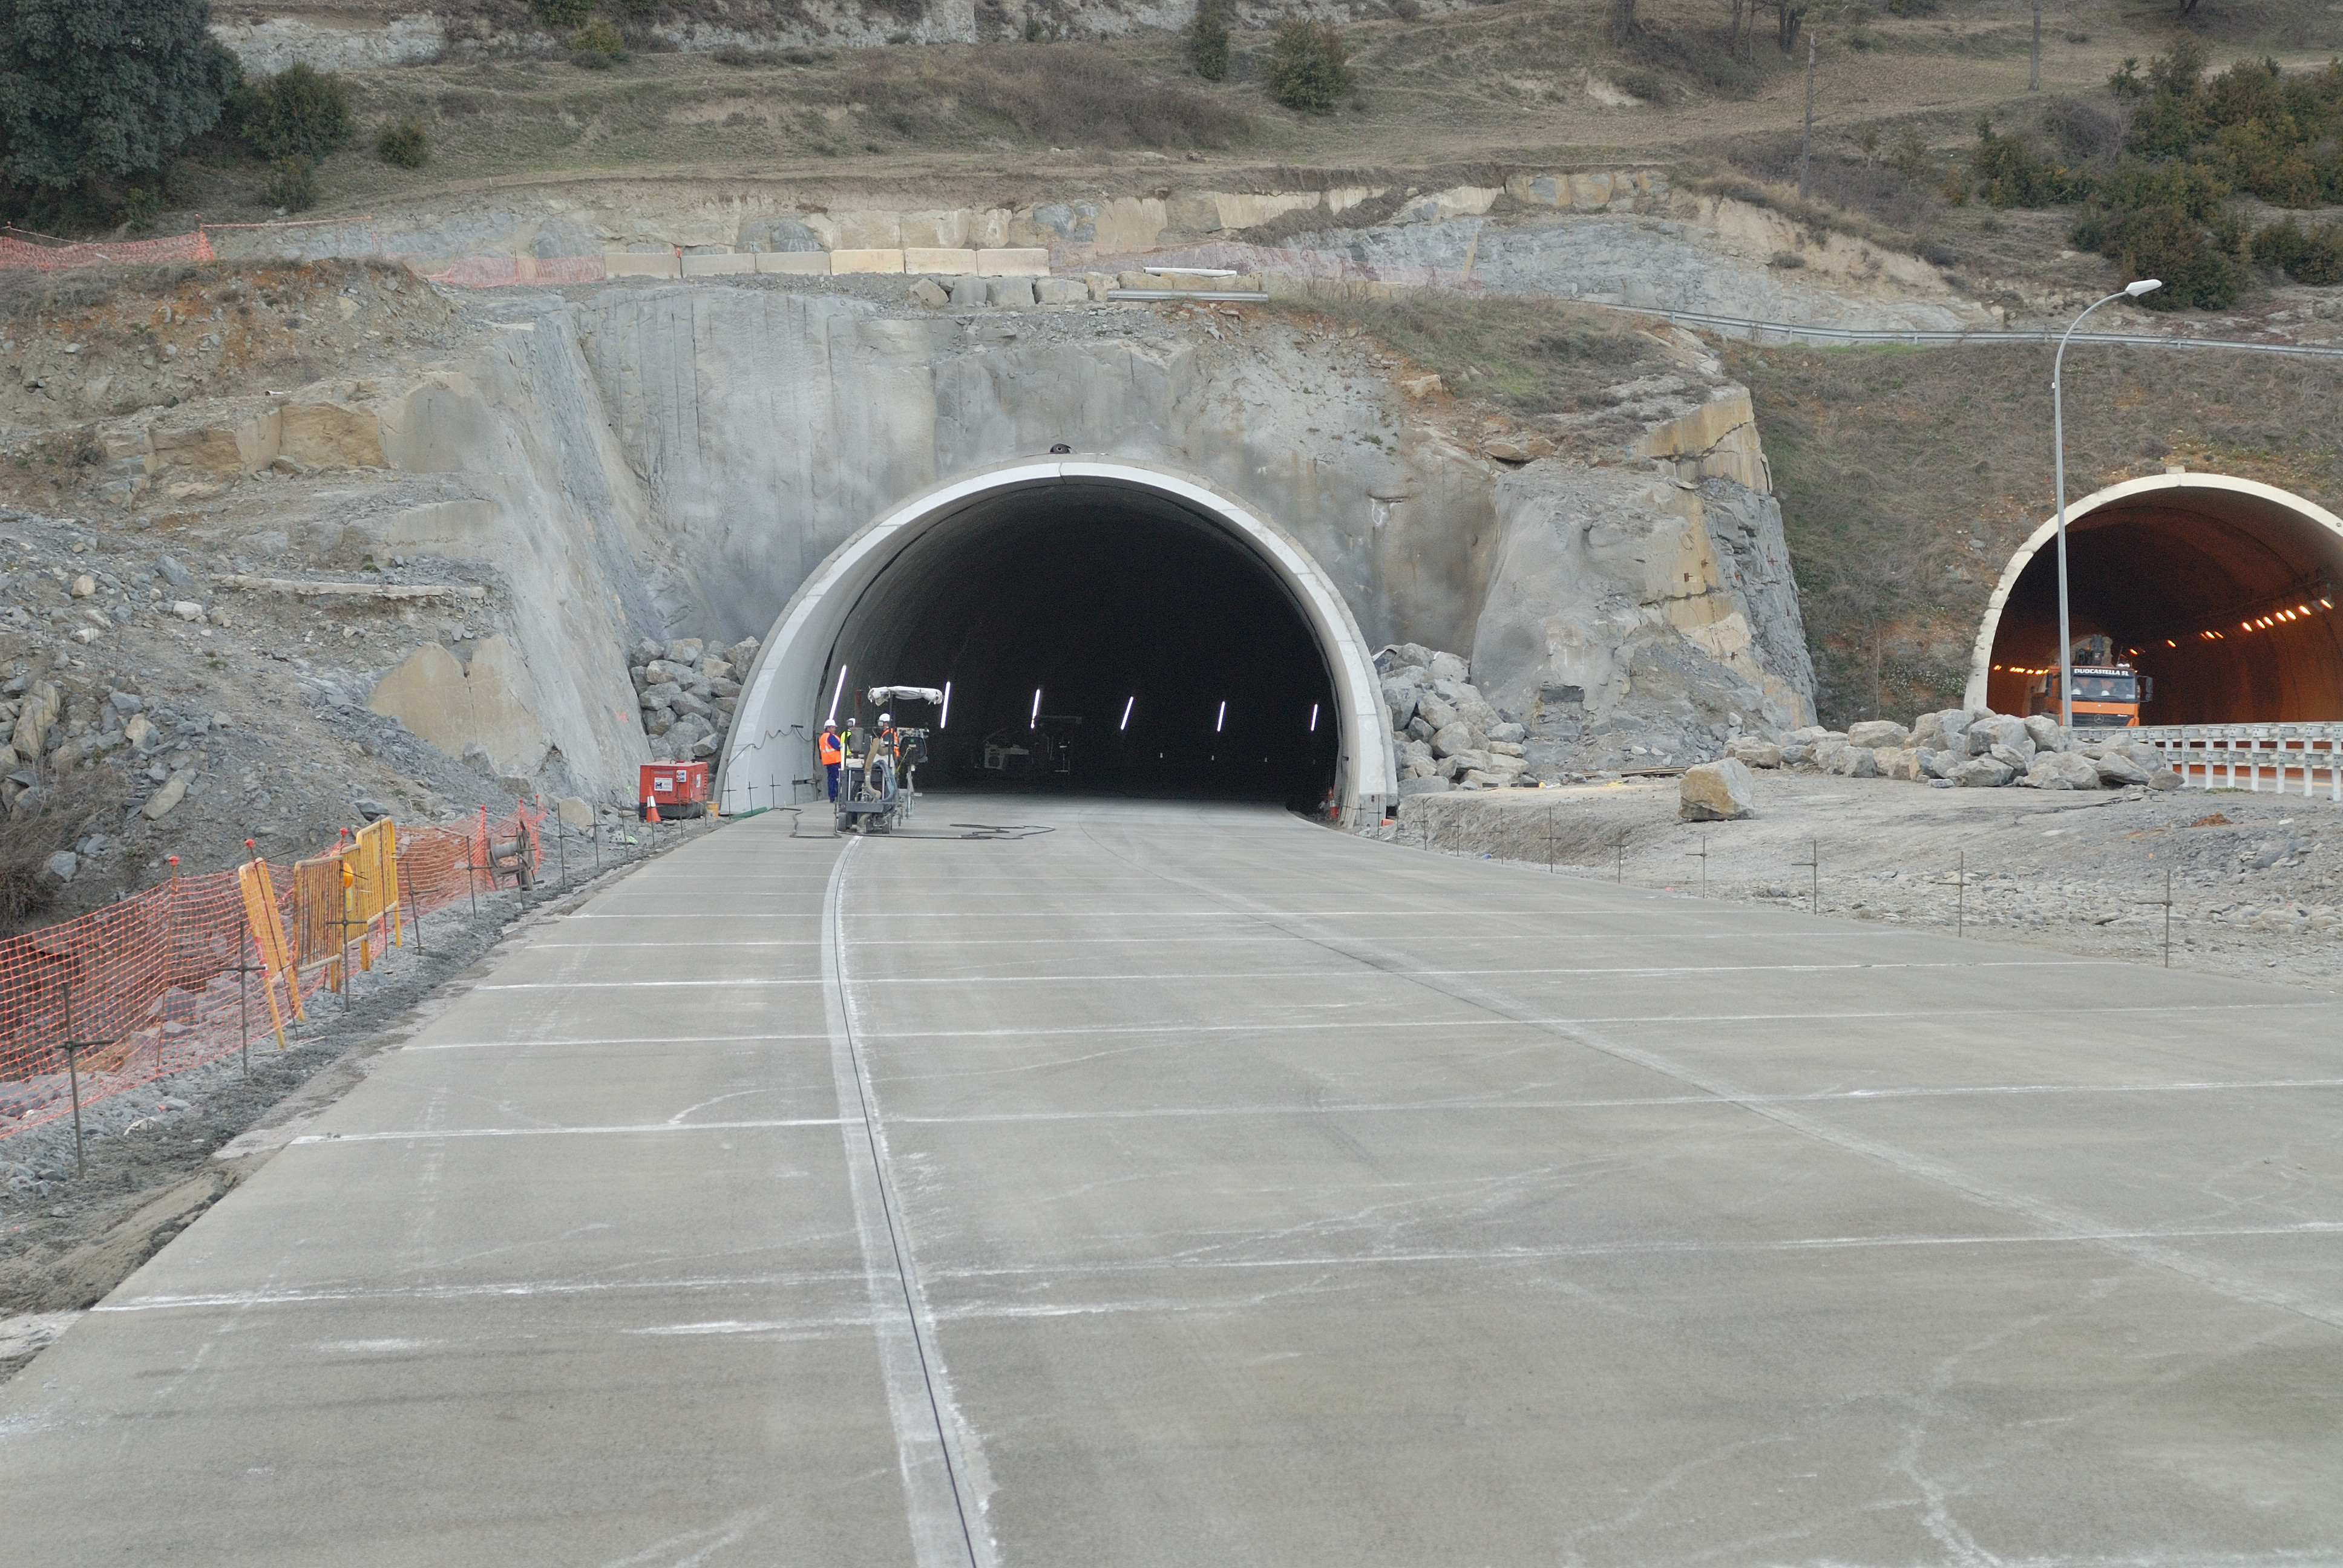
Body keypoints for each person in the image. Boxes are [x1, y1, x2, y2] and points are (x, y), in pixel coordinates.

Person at [819, 722, 844, 801]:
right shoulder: (830, 736)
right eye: (832, 727)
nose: (834, 729)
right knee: (837, 779)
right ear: (828, 728)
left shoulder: (823, 737)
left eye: (834, 727)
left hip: (829, 761)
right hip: (834, 760)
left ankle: (832, 797)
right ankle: (837, 796)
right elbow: (837, 746)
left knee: (831, 779)